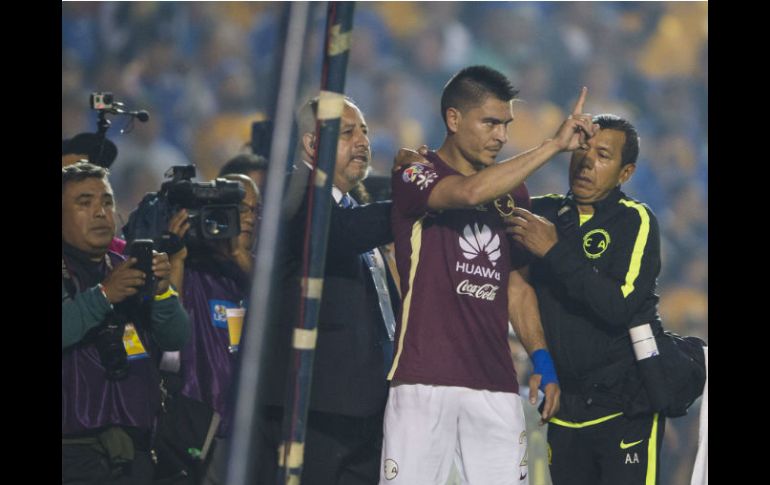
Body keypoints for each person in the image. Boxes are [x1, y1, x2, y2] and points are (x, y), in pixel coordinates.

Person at [383, 65, 598, 484]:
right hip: (423, 379)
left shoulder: (514, 192)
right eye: (491, 123)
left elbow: (517, 286)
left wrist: (541, 358)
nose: (501, 135)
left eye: (506, 125)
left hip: (495, 382)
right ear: (453, 119)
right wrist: (553, 145)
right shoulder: (415, 173)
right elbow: (468, 193)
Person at [506, 114, 666, 485]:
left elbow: (619, 306)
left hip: (624, 405)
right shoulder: (541, 215)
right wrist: (541, 361)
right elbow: (516, 283)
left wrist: (555, 251)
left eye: (603, 155)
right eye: (582, 149)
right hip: (563, 406)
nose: (588, 161)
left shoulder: (636, 221)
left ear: (625, 173)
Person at [257, 96, 399, 485]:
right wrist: (412, 199)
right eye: (348, 132)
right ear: (311, 145)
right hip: (314, 408)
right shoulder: (294, 193)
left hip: (362, 409)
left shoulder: (350, 206)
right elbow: (336, 234)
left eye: (365, 131)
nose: (362, 142)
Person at [62, 161, 190, 484]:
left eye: (106, 202)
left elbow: (176, 337)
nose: (100, 212)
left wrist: (162, 294)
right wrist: (104, 295)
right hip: (73, 455)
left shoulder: (129, 266)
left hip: (136, 453)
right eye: (84, 202)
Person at [161, 173, 260, 484]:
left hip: (256, 432)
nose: (247, 218)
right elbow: (166, 332)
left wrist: (238, 255)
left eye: (253, 210)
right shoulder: (191, 269)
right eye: (237, 208)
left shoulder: (263, 272)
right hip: (201, 431)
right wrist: (174, 256)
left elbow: (286, 309)